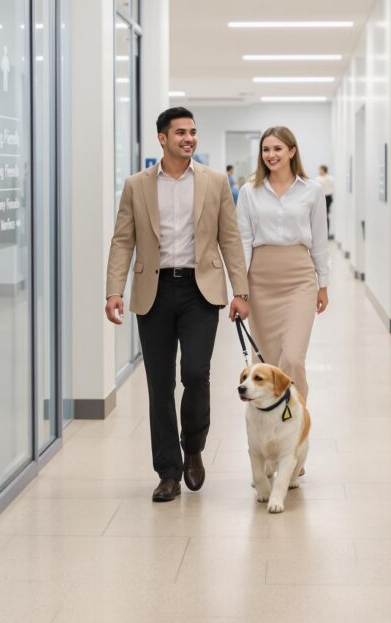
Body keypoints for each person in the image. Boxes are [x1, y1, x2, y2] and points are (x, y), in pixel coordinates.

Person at [105, 106, 250, 503]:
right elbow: (123, 240)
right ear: (162, 138)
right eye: (181, 132)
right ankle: (167, 471)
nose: (189, 138)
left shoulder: (215, 182)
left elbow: (230, 239)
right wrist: (113, 290)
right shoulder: (137, 185)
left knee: (196, 374)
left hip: (199, 290)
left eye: (193, 131)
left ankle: (194, 449)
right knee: (159, 385)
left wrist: (241, 291)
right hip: (153, 292)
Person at [236, 127, 329, 401]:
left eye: (277, 149)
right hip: (260, 282)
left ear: (292, 151)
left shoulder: (312, 190)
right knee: (266, 361)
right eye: (266, 149)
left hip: (299, 279)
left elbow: (320, 241)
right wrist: (240, 291)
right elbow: (243, 241)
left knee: (292, 357)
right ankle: (270, 421)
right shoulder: (248, 191)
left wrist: (323, 284)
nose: (271, 155)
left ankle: (295, 414)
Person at [316, 165, 335, 238]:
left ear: (324, 170)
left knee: (326, 215)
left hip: (327, 197)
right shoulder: (318, 178)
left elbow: (332, 188)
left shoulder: (330, 178)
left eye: (320, 170)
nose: (319, 171)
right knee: (321, 216)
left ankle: (326, 233)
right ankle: (321, 233)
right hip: (321, 198)